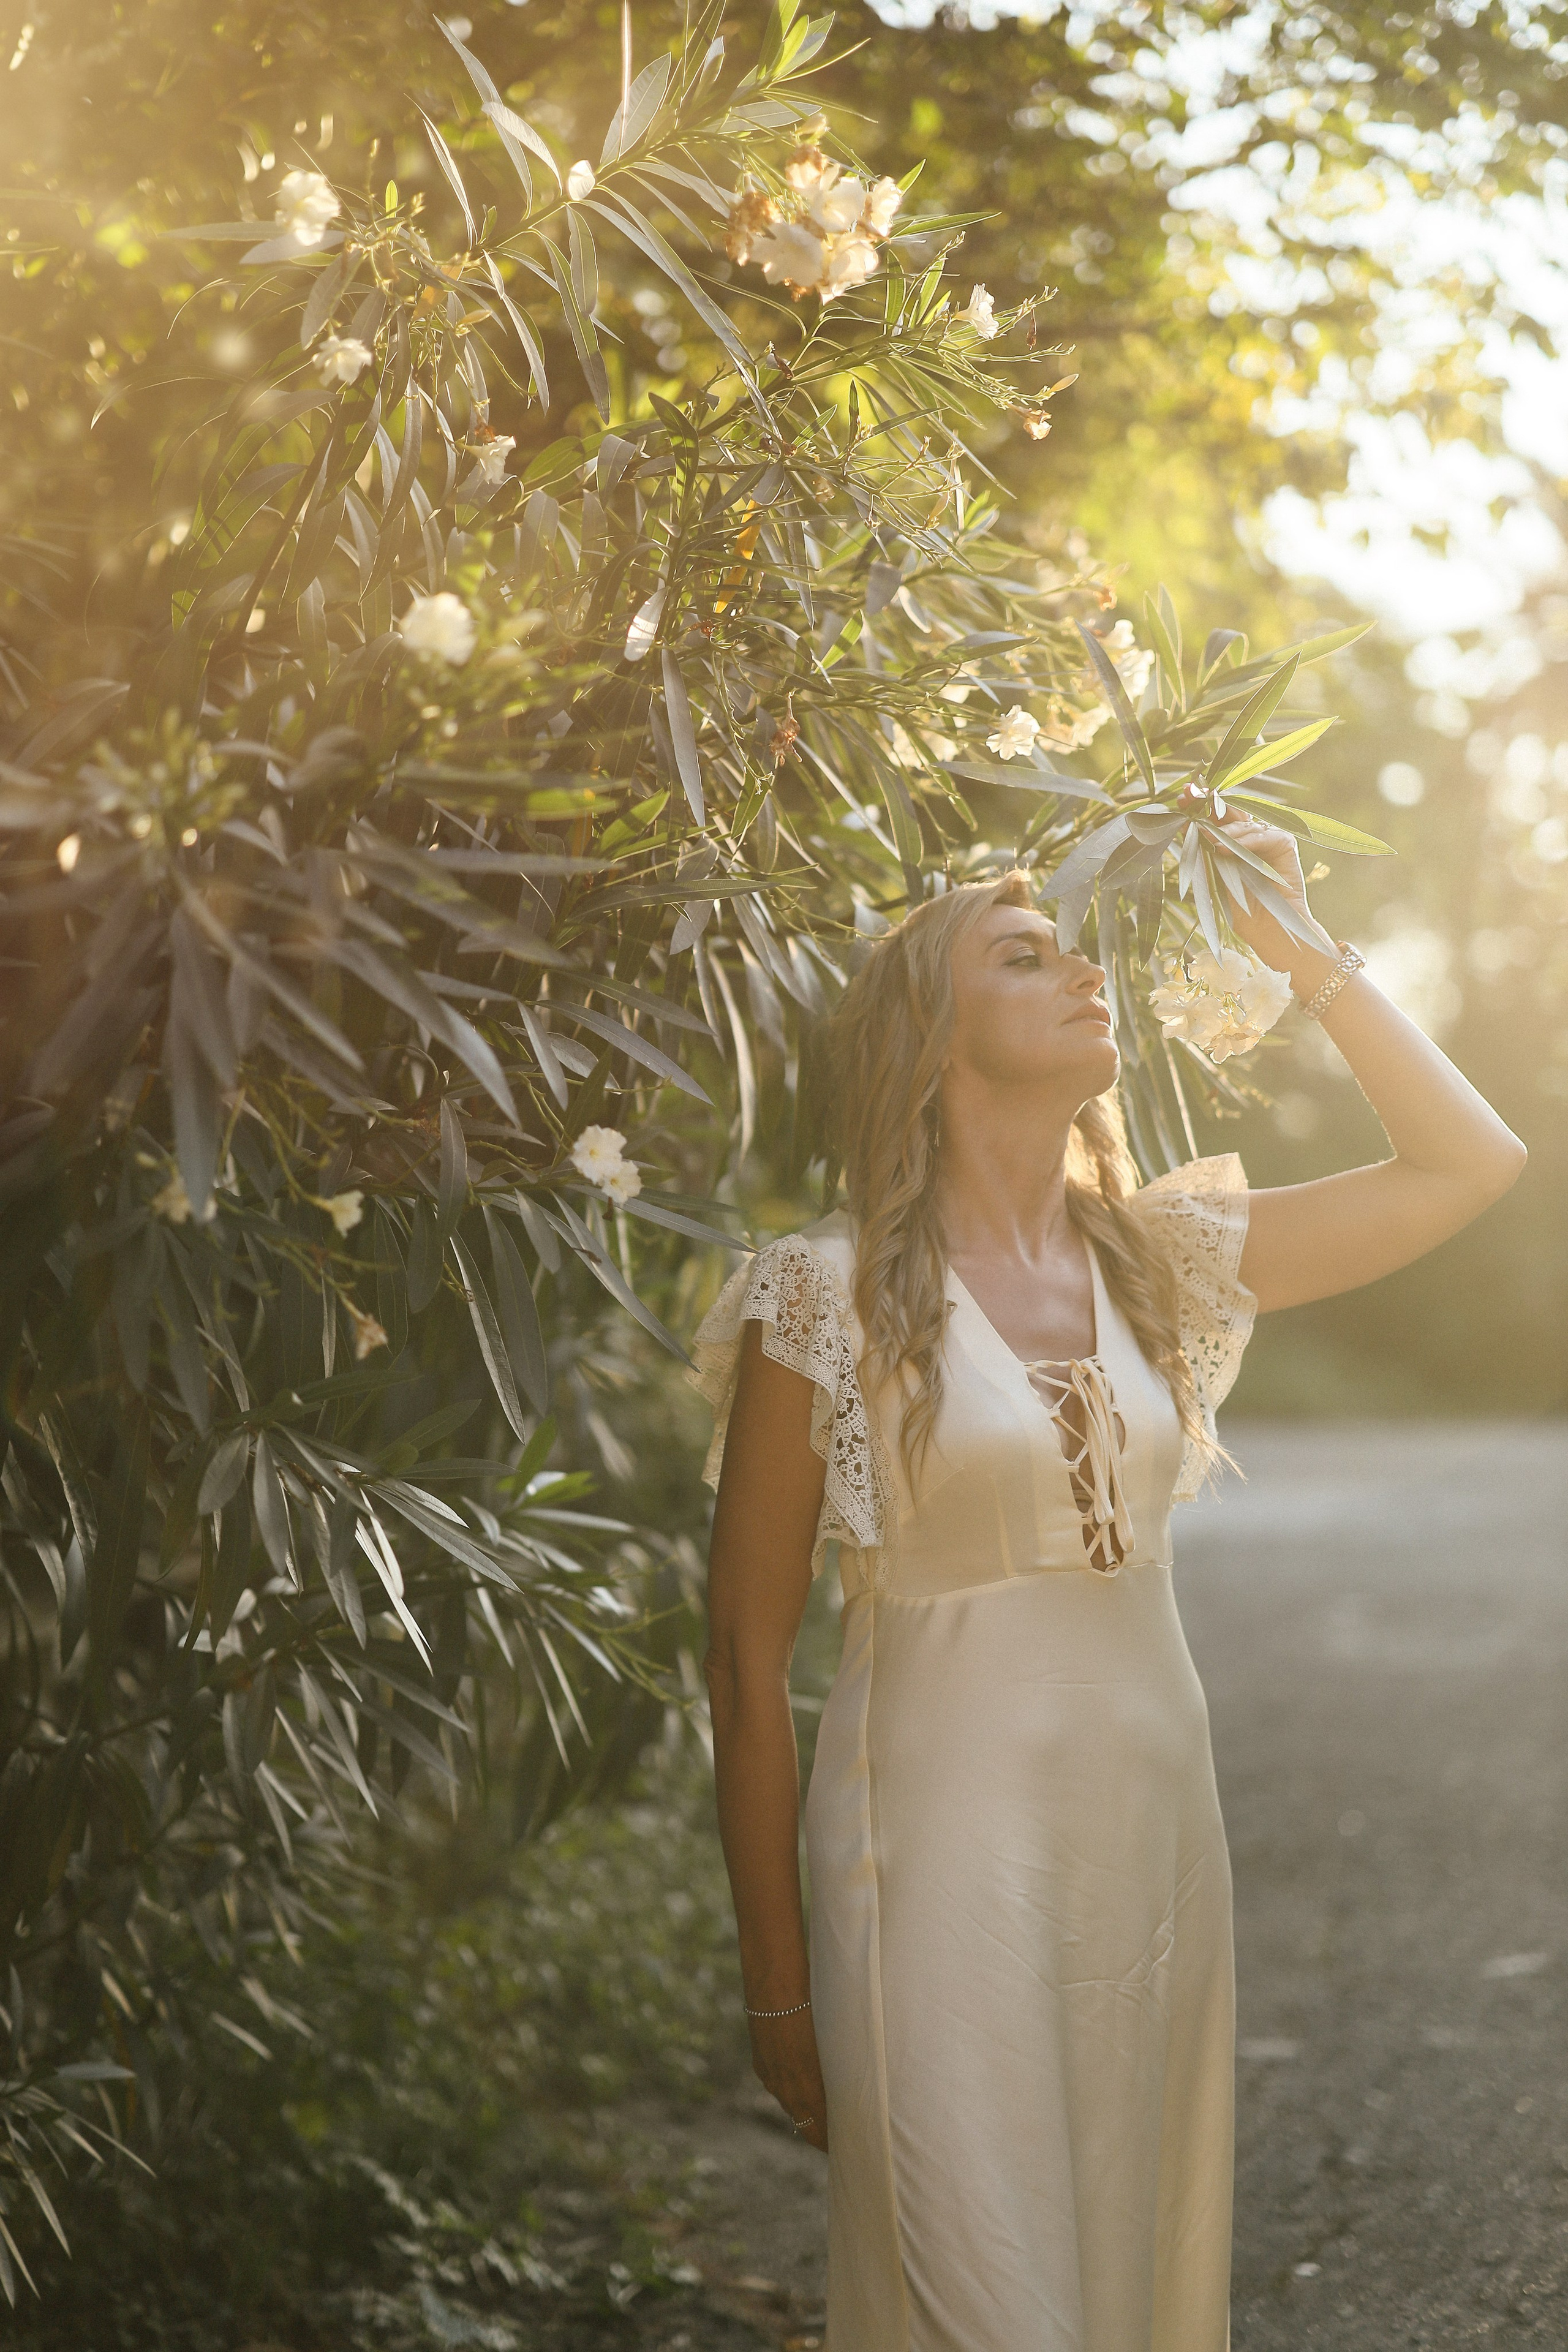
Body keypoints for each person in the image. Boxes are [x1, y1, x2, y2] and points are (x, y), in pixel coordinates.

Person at [693, 814, 1525, 2352]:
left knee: (1135, 2284)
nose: (1077, 967)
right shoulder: (815, 1290)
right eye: (1020, 954)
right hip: (931, 1856)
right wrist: (775, 1989)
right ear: (928, 1038)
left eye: (1070, 943)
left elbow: (1472, 1161)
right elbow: (742, 1664)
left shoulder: (1159, 1257)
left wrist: (1291, 940)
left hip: (1149, 1843)